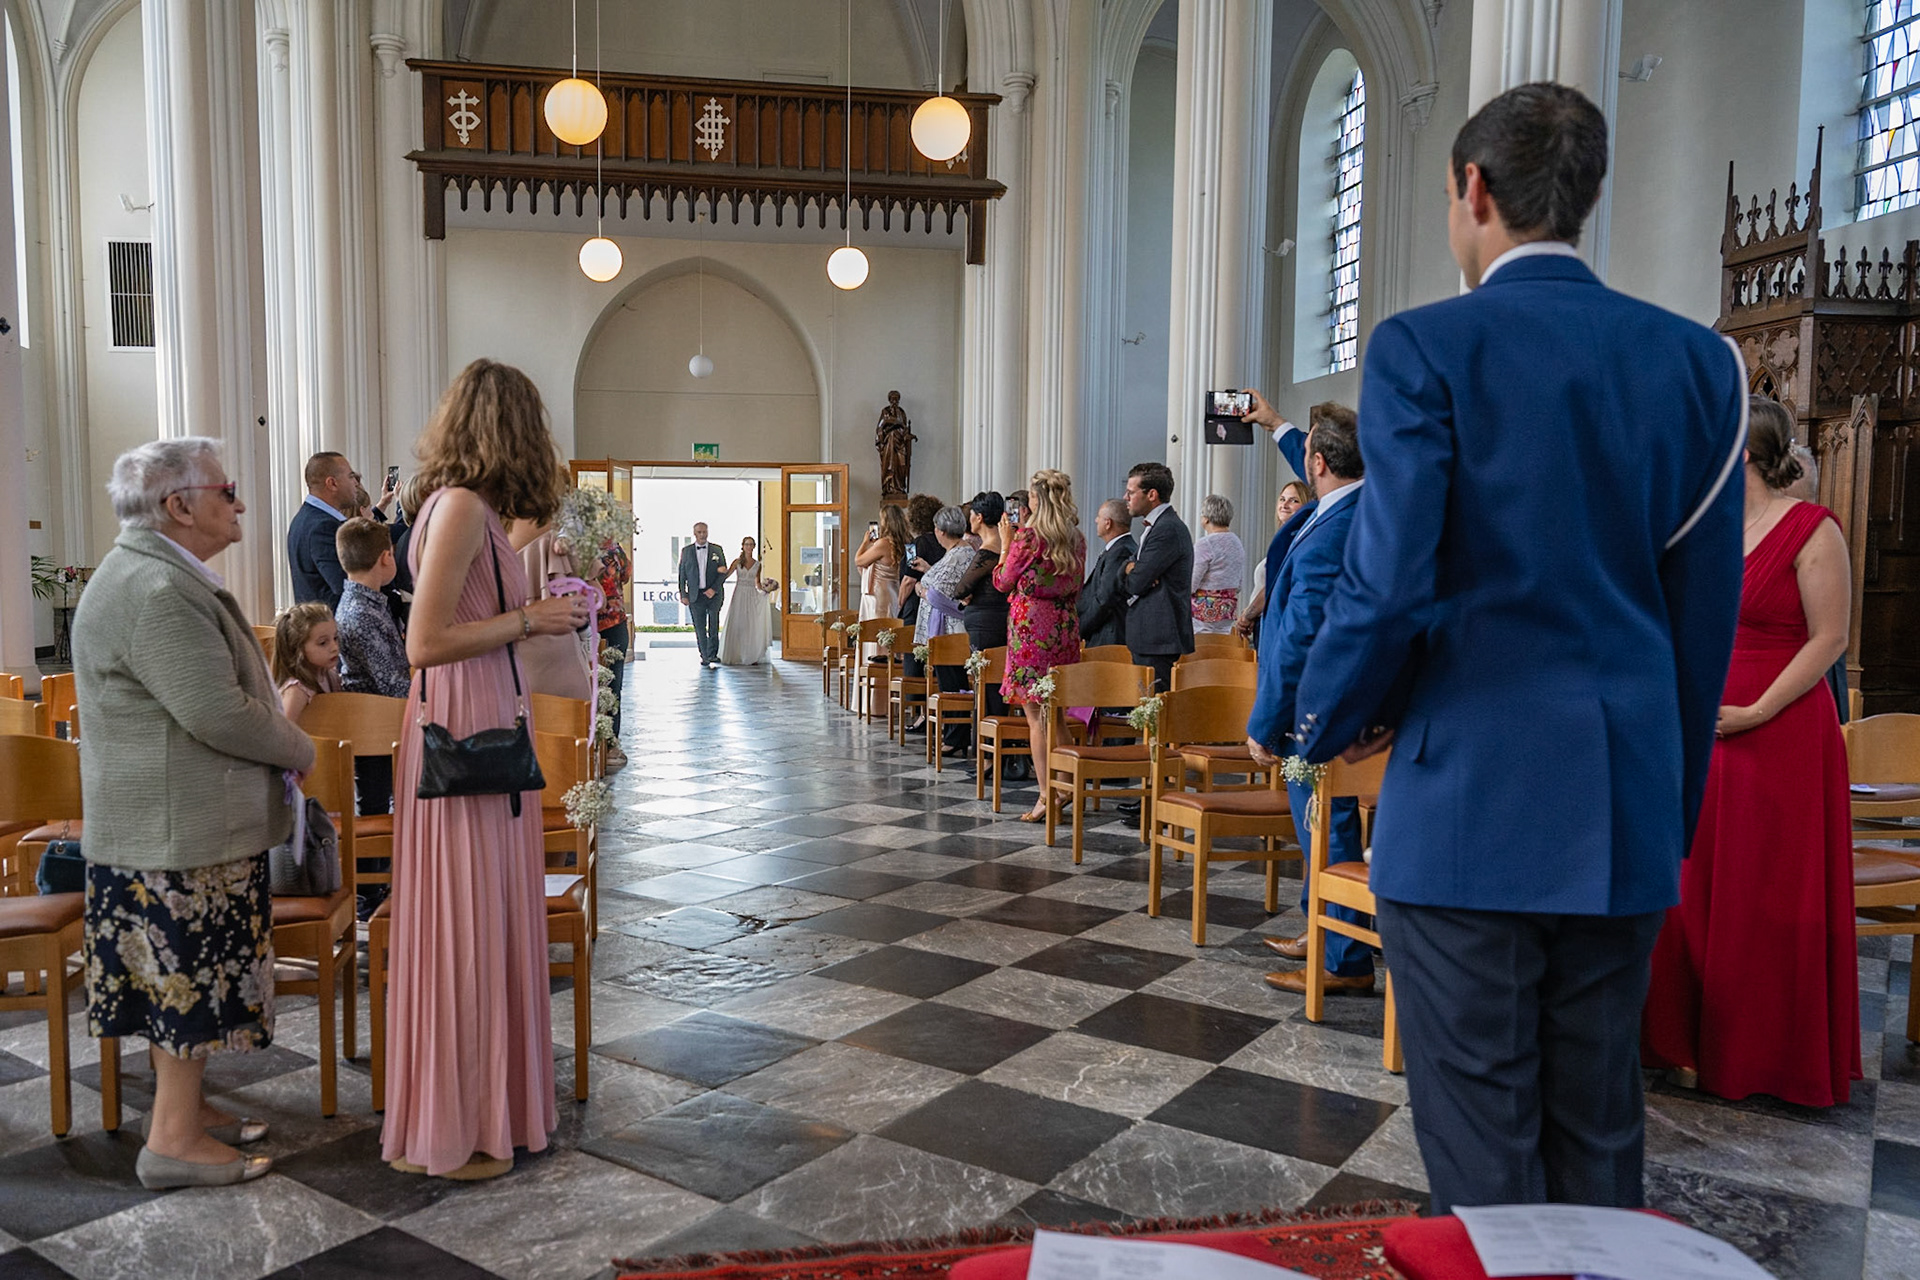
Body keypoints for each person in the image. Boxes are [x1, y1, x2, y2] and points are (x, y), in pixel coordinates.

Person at [1289, 83, 1747, 1214]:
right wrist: (1668, 808)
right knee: (1598, 1131)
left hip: (1469, 798)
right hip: (1621, 803)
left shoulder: (1426, 346)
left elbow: (1389, 582)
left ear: (1473, 189)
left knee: (1484, 1145)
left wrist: (1317, 724)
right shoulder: (1700, 364)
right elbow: (1702, 622)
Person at [74, 437, 315, 1190]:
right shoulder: (157, 589)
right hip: (174, 838)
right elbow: (218, 712)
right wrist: (300, 746)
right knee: (186, 982)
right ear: (179, 505)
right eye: (226, 490)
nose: (238, 503)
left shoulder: (157, 573)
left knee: (188, 980)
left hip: (173, 829)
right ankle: (172, 1142)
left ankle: (184, 1112)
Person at [383, 359, 591, 1180]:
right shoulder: (463, 507)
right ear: (513, 428)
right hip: (465, 730)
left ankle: (464, 1113)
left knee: (477, 921)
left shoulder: (462, 507)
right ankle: (463, 1126)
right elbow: (424, 642)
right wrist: (529, 619)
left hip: (476, 715)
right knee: (467, 927)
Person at [1642, 398, 1859, 1108]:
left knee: (1762, 896)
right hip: (1701, 731)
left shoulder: (1812, 527)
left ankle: (1761, 1057)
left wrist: (1759, 710)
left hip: (1781, 732)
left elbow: (1830, 638)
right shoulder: (1701, 532)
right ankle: (1684, 1043)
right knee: (1691, 891)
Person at [1242, 403, 1375, 996]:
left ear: (1318, 464)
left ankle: (1343, 958)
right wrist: (1277, 426)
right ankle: (1320, 927)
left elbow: (1299, 638)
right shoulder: (1357, 503)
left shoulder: (1335, 528)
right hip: (1337, 703)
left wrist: (1264, 722)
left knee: (1327, 825)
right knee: (1316, 825)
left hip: (1315, 708)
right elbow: (1323, 455)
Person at [994, 470, 1086, 823]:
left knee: (1035, 715)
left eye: (1031, 497)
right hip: (1064, 623)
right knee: (1056, 711)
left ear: (1038, 501)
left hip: (1031, 627)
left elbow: (1002, 581)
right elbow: (1078, 584)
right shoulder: (1075, 538)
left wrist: (1006, 543)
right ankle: (1066, 785)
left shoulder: (1029, 538)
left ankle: (1047, 794)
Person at [1121, 462, 1193, 693]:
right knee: (1145, 706)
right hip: (1150, 636)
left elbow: (1136, 582)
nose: (1125, 498)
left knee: (1154, 708)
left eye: (1131, 492)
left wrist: (1133, 571)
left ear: (1152, 495)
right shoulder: (1157, 526)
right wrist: (1129, 568)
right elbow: (1130, 569)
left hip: (1159, 637)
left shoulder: (1167, 529)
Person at [912, 505, 978, 754]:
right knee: (949, 681)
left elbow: (939, 594)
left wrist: (922, 590)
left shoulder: (959, 554)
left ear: (940, 531)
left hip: (950, 630)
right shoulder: (955, 552)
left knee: (952, 684)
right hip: (945, 629)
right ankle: (953, 734)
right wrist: (928, 576)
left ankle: (955, 737)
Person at [510, 520, 595, 701]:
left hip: (499, 662)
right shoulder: (558, 528)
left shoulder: (482, 527)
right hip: (556, 657)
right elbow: (594, 596)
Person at [336, 518, 410, 701]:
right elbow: (392, 685)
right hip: (376, 710)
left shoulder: (365, 603)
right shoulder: (362, 614)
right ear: (386, 558)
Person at [1235, 483, 1312, 644]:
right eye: (1282, 499)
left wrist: (1248, 615)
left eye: (1294, 500)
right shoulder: (1284, 538)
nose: (1285, 505)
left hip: (1277, 623)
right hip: (1264, 619)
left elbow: (1274, 586)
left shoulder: (1297, 539)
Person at [288, 452, 359, 611]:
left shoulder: (305, 518)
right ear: (332, 483)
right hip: (332, 622)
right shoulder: (323, 526)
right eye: (350, 476)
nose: (356, 483)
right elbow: (345, 587)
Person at [1078, 499, 1136, 650]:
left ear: (1108, 523)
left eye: (1099, 516)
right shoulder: (1119, 548)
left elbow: (1105, 598)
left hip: (1108, 638)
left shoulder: (1121, 551)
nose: (1096, 520)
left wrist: (1080, 628)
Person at [273, 601, 342, 725]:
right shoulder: (297, 691)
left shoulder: (329, 675)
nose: (334, 647)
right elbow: (282, 730)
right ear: (299, 649)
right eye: (323, 643)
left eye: (335, 638)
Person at [595, 540, 632, 766]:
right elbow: (625, 576)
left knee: (610, 686)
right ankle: (607, 745)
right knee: (610, 686)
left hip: (608, 621)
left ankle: (608, 742)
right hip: (596, 620)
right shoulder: (613, 547)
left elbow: (626, 575)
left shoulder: (613, 548)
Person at [856, 505, 907, 660]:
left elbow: (859, 560)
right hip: (896, 591)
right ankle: (892, 667)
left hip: (879, 595)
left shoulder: (883, 543)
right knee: (891, 630)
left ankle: (876, 668)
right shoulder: (907, 542)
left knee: (878, 631)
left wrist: (865, 542)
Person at [1190, 494, 1247, 634]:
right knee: (1221, 643)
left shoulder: (1205, 544)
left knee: (1201, 644)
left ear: (1206, 518)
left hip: (1203, 609)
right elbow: (1239, 581)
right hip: (1228, 607)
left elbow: (1192, 581)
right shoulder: (1236, 542)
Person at [719, 535, 777, 665]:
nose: (749, 547)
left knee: (750, 624)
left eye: (751, 544)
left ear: (754, 546)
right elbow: (726, 575)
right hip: (739, 593)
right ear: (743, 546)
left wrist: (766, 590)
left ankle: (751, 655)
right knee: (738, 622)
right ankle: (735, 654)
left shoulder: (757, 564)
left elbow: (757, 583)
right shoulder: (737, 562)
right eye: (747, 544)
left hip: (751, 594)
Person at [678, 521, 728, 670]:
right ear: (694, 534)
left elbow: (723, 572)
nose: (702, 535)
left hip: (714, 594)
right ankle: (704, 656)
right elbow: (682, 574)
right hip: (695, 595)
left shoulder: (717, 550)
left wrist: (713, 589)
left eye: (704, 532)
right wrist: (683, 594)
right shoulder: (686, 551)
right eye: (699, 532)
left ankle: (713, 654)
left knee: (713, 624)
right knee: (699, 627)